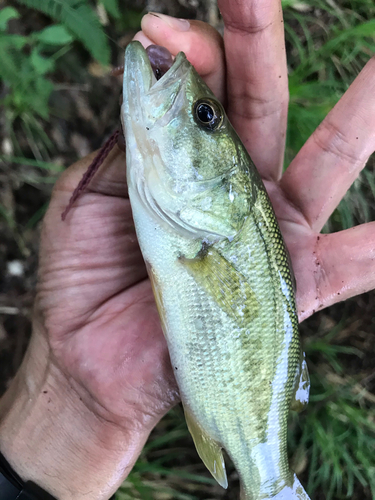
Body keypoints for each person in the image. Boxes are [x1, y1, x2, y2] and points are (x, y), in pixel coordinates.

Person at [1, 1, 375, 498]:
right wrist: (74, 400)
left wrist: (79, 406)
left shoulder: (201, 234)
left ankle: (270, 483)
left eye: (203, 115)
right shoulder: (192, 230)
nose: (198, 108)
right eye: (208, 115)